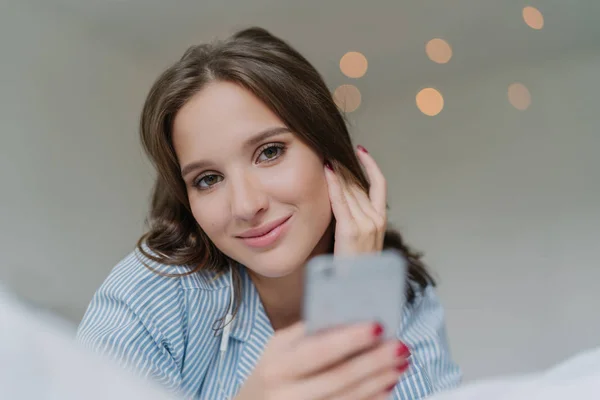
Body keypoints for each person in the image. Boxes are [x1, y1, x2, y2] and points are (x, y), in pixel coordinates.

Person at [77, 27, 461, 399]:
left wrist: (354, 296)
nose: (245, 206)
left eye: (270, 152)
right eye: (208, 179)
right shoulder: (148, 296)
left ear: (327, 150)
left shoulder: (405, 296)